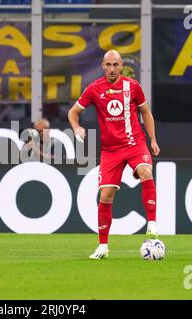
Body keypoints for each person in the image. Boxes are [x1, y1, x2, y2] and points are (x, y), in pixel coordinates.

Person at [68, 49, 161, 260]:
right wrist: (77, 128)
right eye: (108, 65)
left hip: (134, 142)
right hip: (110, 150)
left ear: (121, 66)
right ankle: (102, 246)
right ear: (102, 66)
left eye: (115, 65)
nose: (111, 69)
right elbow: (73, 112)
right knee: (106, 195)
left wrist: (152, 139)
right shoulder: (94, 89)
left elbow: (145, 112)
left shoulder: (132, 86)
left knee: (145, 171)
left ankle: (152, 222)